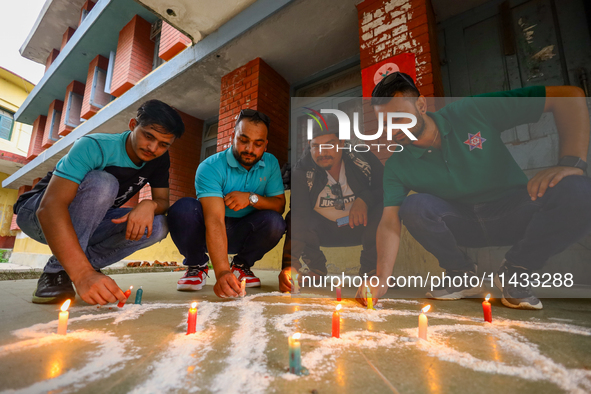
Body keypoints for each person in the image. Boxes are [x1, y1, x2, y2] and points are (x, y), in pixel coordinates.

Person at [362, 71, 591, 310]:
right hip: (463, 223)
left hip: (515, 213)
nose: (392, 130)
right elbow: (389, 221)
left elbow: (567, 96)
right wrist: (381, 278)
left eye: (399, 118)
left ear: (421, 105)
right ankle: (461, 274)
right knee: (413, 206)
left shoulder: (471, 111)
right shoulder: (397, 165)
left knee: (582, 192)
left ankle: (517, 270)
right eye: (385, 123)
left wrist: (571, 162)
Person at [15, 99, 185, 305]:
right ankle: (57, 272)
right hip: (36, 214)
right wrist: (82, 274)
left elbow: (162, 201)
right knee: (103, 182)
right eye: (148, 136)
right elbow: (50, 208)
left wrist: (149, 205)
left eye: (163, 144)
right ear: (133, 125)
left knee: (159, 225)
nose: (153, 148)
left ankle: (74, 266)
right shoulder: (94, 146)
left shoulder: (159, 159)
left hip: (92, 221)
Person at [168, 109, 286, 298]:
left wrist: (250, 197)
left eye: (258, 144)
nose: (249, 149)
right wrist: (222, 272)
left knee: (275, 221)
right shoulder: (210, 166)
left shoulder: (270, 163)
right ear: (233, 136)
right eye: (243, 140)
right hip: (209, 231)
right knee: (183, 209)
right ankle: (197, 265)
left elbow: (279, 205)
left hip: (244, 231)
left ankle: (241, 266)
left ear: (265, 144)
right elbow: (214, 219)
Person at [280, 123, 383, 292]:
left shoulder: (362, 159)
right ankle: (317, 269)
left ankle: (370, 271)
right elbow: (299, 217)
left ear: (341, 143)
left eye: (329, 144)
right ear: (309, 146)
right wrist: (289, 265)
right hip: (323, 231)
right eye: (316, 146)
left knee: (385, 211)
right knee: (293, 218)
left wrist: (365, 199)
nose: (322, 152)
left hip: (359, 226)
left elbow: (387, 188)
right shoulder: (301, 171)